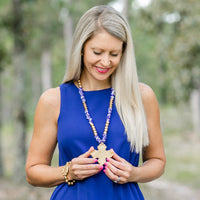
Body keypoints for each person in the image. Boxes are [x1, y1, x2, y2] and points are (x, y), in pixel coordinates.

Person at [25, 5, 166, 200]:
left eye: (114, 54)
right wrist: (68, 171)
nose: (106, 62)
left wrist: (135, 173)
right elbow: (33, 171)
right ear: (81, 48)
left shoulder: (142, 96)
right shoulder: (53, 100)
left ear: (124, 53)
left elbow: (157, 160)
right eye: (97, 52)